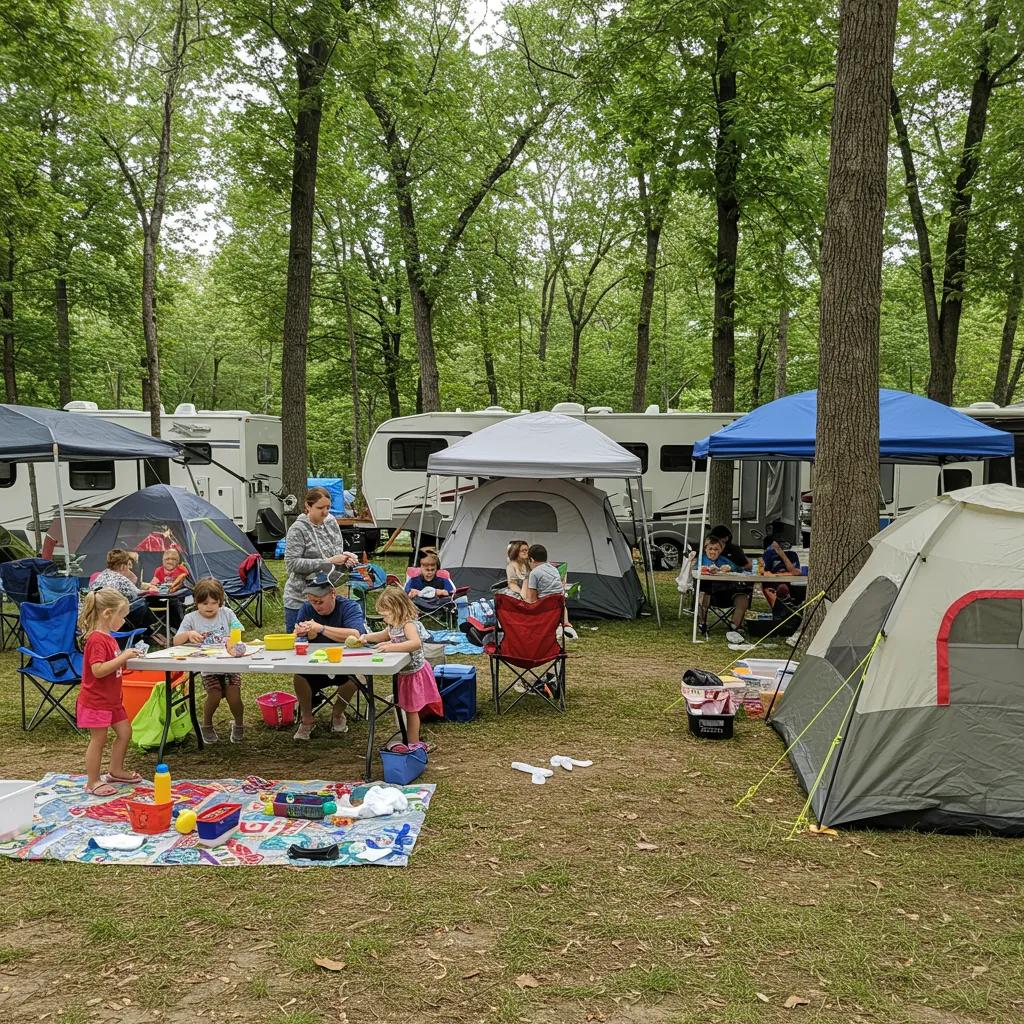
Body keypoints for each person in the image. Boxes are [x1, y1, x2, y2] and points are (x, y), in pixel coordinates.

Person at [77, 588, 146, 796]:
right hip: (96, 701)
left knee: (125, 733)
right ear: (108, 613)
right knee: (98, 739)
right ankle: (92, 781)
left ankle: (115, 770)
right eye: (122, 616)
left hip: (113, 700)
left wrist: (128, 662)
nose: (124, 621)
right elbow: (98, 670)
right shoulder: (96, 639)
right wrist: (123, 657)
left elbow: (112, 667)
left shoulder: (109, 638)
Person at [360, 588, 442, 754]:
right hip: (404, 673)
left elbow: (415, 643)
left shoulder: (409, 625)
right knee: (406, 707)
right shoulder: (393, 625)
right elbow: (383, 635)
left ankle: (413, 743)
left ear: (397, 609)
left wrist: (391, 647)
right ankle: (410, 738)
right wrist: (366, 637)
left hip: (415, 673)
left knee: (412, 710)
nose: (384, 618)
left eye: (385, 614)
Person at [291, 573, 365, 741]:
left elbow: (355, 634)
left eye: (319, 601)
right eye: (312, 601)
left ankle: (338, 713)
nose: (316, 606)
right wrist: (304, 633)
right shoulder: (306, 608)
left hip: (345, 662)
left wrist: (321, 628)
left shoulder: (349, 607)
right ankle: (307, 719)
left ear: (333, 594)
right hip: (315, 662)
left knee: (358, 677)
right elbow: (301, 639)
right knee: (299, 676)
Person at [173, 578, 247, 744]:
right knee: (213, 695)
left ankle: (239, 724)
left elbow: (239, 629)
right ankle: (206, 724)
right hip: (208, 666)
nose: (210, 607)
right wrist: (188, 635)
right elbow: (176, 641)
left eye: (214, 602)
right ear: (196, 602)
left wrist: (233, 638)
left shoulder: (226, 613)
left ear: (220, 601)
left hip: (229, 664)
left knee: (234, 695)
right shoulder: (191, 618)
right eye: (205, 603)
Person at [283, 487, 358, 633]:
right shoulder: (298, 529)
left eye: (328, 507)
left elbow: (336, 553)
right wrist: (328, 561)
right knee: (300, 645)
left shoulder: (331, 522)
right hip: (300, 599)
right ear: (308, 506)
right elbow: (292, 564)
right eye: (320, 507)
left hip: (326, 599)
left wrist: (345, 558)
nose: (325, 512)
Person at [91, 549, 165, 643]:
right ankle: (152, 631)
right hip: (115, 616)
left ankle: (152, 632)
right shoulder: (121, 579)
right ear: (122, 566)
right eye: (128, 565)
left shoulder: (101, 575)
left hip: (99, 614)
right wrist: (149, 589)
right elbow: (137, 594)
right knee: (142, 603)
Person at [697, 532, 751, 641]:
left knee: (743, 599)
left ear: (720, 550)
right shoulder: (700, 559)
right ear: (705, 549)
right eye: (710, 549)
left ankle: (734, 627)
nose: (713, 552)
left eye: (716, 549)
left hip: (728, 592)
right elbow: (694, 571)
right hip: (710, 594)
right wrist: (706, 569)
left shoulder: (724, 561)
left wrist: (730, 569)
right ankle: (702, 623)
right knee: (704, 595)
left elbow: (740, 570)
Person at [522, 543, 578, 640]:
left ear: (531, 559)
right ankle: (565, 624)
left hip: (544, 609)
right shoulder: (554, 570)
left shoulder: (534, 573)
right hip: (558, 607)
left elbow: (532, 600)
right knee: (560, 599)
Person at [761, 535, 803, 611]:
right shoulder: (769, 555)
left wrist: (781, 554)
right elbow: (765, 573)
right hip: (773, 584)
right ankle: (781, 609)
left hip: (787, 584)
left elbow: (796, 572)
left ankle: (787, 608)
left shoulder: (792, 555)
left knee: (783, 587)